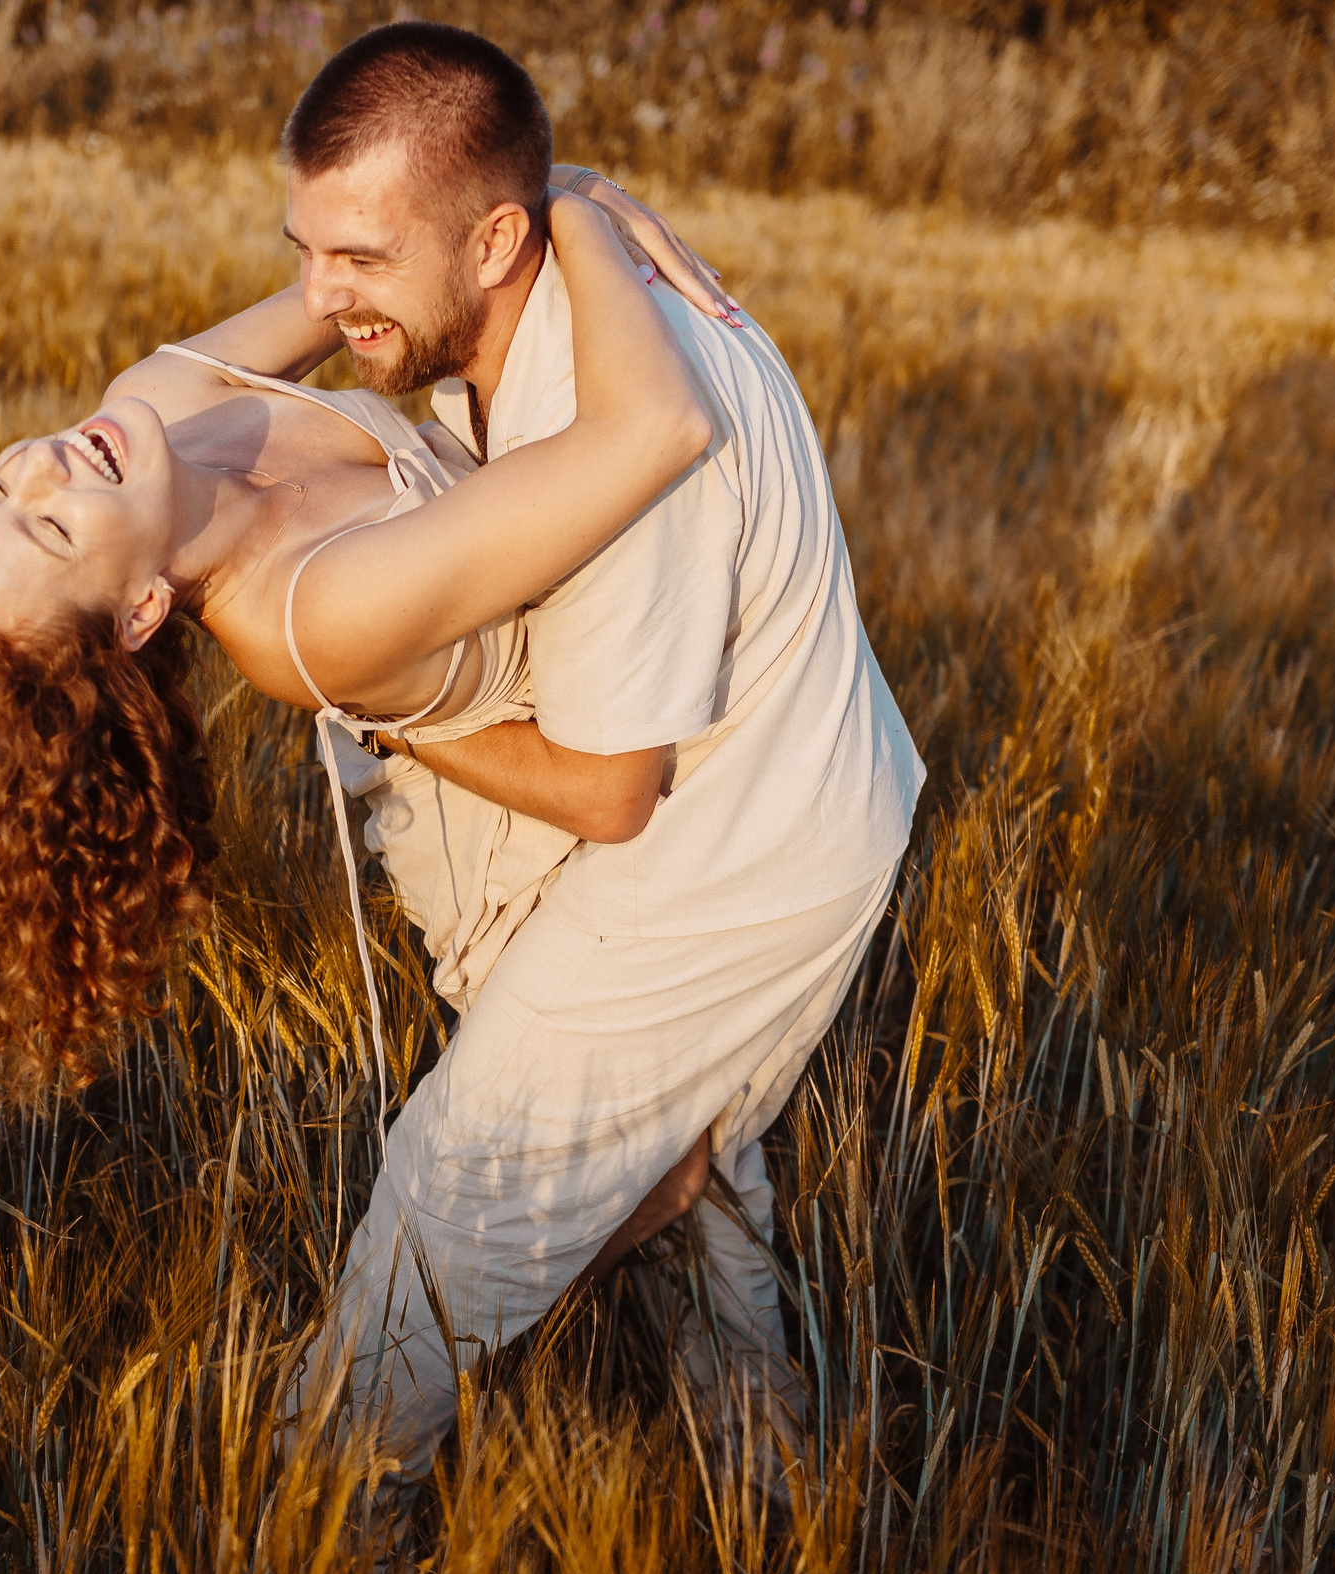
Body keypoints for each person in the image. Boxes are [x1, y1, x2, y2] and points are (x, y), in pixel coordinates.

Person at [273, 23, 928, 1488]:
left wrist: (382, 702)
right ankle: (770, 1498)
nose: (319, 301)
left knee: (454, 1201)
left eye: (359, 259)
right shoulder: (535, 282)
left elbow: (608, 789)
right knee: (696, 1197)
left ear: (492, 237)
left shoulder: (602, 417)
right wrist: (574, 197)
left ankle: (324, 1538)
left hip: (737, 851)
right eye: (307, 250)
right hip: (794, 795)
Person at [0, 179, 717, 1107]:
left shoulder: (154, 399)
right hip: (525, 875)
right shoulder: (314, 616)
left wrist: (515, 188)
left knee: (696, 1180)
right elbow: (612, 788)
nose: (43, 466)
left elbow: (360, 285)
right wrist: (576, 210)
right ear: (137, 612)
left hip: (633, 730)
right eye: (50, 531)